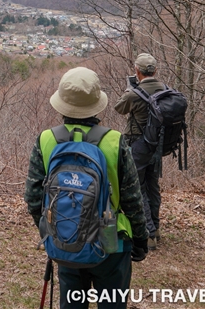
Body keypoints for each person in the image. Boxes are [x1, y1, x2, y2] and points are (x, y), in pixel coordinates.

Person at [25, 67, 148, 309]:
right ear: (96, 103)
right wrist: (141, 238)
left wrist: (51, 229)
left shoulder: (46, 139)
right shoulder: (115, 141)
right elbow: (133, 199)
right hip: (111, 240)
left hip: (67, 239)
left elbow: (33, 196)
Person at [114, 53, 166, 250]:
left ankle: (149, 234)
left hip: (137, 144)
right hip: (157, 145)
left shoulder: (134, 94)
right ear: (155, 71)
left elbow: (119, 108)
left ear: (137, 71)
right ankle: (157, 228)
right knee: (153, 186)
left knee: (138, 187)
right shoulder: (165, 90)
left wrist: (130, 89)